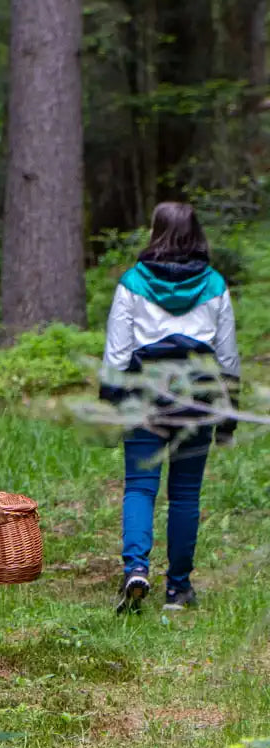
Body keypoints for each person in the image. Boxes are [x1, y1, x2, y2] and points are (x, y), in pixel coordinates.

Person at [102, 202, 240, 614]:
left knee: (140, 487)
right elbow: (228, 355)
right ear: (196, 232)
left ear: (155, 231)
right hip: (196, 400)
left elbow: (116, 352)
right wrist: (229, 412)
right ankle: (178, 588)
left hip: (145, 396)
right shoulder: (214, 284)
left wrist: (111, 404)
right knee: (184, 495)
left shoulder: (132, 282)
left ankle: (136, 568)